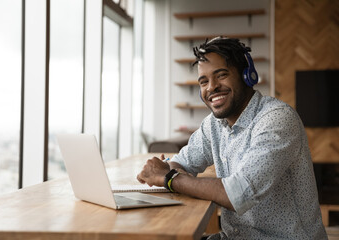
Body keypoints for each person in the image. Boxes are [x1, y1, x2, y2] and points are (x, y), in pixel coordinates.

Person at [137, 37, 328, 239]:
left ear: (247, 75)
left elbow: (238, 193)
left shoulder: (277, 118)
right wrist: (169, 171)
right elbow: (182, 161)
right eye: (204, 81)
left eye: (221, 75)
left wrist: (169, 178)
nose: (211, 87)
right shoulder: (214, 124)